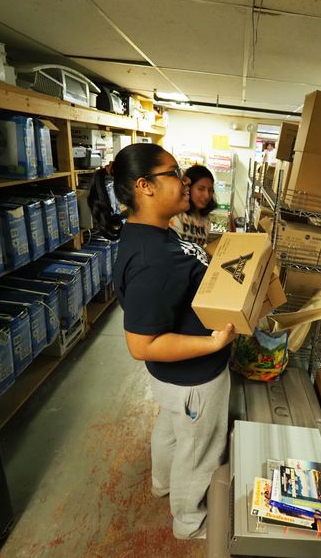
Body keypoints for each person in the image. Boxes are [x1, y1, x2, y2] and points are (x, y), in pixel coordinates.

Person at [89, 143, 236, 540]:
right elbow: (141, 344)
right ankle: (190, 522)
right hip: (194, 377)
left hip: (177, 382)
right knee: (198, 451)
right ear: (145, 186)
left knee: (172, 432)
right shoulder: (151, 257)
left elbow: (183, 269)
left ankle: (163, 484)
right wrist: (214, 343)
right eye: (173, 173)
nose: (184, 180)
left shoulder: (155, 232)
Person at [169, 164, 217, 246]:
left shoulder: (206, 220)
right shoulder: (175, 214)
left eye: (210, 190)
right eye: (201, 189)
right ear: (188, 188)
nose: (207, 195)